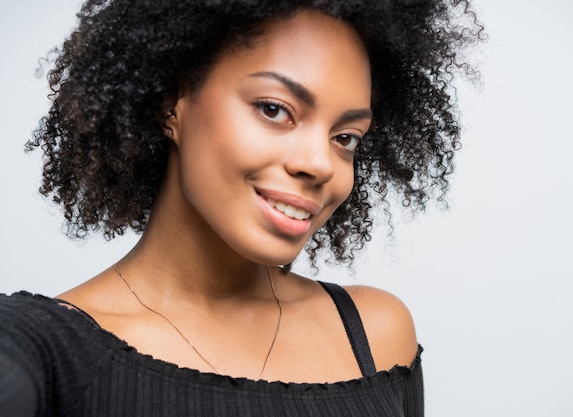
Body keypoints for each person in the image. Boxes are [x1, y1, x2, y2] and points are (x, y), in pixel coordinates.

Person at [0, 0, 481, 415]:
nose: (319, 164)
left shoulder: (375, 336)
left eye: (345, 138)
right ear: (172, 102)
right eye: (274, 109)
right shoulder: (44, 349)